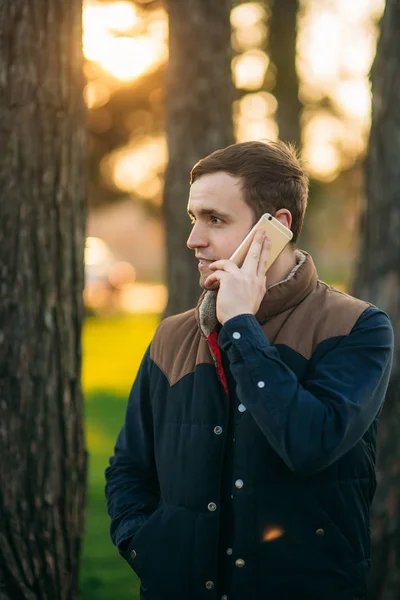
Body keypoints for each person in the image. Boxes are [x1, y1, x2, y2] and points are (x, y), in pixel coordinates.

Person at [105, 140, 394, 600]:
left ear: (275, 228)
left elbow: (309, 444)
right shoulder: (171, 337)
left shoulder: (357, 327)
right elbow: (129, 468)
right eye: (193, 218)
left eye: (214, 219)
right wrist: (145, 545)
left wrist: (240, 324)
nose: (193, 239)